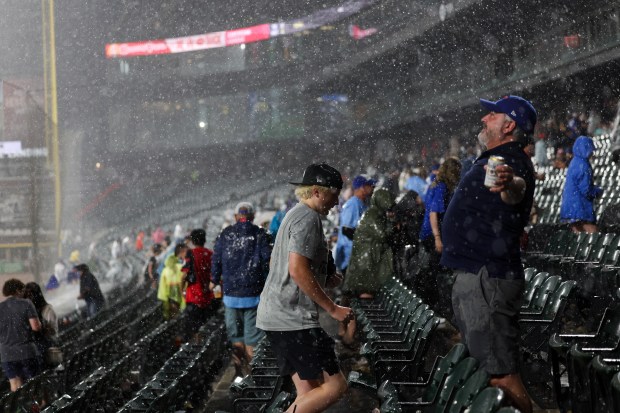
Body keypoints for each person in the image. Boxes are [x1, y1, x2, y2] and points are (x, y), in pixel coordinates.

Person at [441, 95, 537, 413]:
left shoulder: (510, 161)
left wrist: (510, 184)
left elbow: (515, 189)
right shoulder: (494, 158)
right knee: (490, 373)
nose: (484, 119)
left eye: (492, 115)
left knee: (501, 377)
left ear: (509, 125)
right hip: (481, 275)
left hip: (488, 277)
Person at [257, 163, 352, 413]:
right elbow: (297, 270)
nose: (337, 200)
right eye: (334, 193)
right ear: (318, 192)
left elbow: (290, 265)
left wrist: (323, 277)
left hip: (276, 316)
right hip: (291, 320)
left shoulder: (295, 214)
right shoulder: (308, 218)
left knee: (309, 392)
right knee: (336, 386)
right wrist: (332, 308)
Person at [211, 201, 272, 377]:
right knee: (252, 339)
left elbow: (216, 260)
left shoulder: (226, 234)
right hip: (253, 295)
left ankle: (238, 375)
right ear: (252, 217)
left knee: (236, 338)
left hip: (231, 295)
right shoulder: (259, 234)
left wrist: (214, 279)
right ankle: (252, 377)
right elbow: (267, 259)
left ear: (236, 217)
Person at [417, 157, 461, 310]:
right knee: (436, 273)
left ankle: (434, 306)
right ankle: (436, 307)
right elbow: (433, 213)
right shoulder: (442, 187)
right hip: (432, 234)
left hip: (428, 233)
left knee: (434, 272)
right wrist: (437, 238)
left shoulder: (435, 184)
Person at [0, 279, 42, 391]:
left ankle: (21, 406)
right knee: (35, 383)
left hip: (7, 354)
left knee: (15, 385)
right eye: (22, 290)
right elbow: (35, 327)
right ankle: (39, 406)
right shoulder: (26, 303)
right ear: (18, 290)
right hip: (26, 351)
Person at [559, 135, 603, 233]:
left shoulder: (574, 162)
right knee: (593, 232)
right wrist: (597, 191)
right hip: (579, 204)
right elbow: (585, 189)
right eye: (591, 149)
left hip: (570, 203)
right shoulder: (583, 165)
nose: (592, 152)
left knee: (578, 234)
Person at [334, 175, 376, 274]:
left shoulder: (363, 203)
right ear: (362, 187)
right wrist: (366, 240)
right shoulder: (353, 204)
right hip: (349, 259)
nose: (372, 187)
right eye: (370, 185)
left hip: (358, 258)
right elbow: (346, 230)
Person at [182, 228, 214, 341]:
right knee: (205, 326)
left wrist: (182, 290)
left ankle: (196, 342)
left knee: (193, 328)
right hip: (207, 296)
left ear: (192, 241)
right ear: (204, 240)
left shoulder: (190, 254)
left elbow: (184, 275)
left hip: (193, 296)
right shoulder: (210, 254)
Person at [23, 282, 58, 366]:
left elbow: (53, 331)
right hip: (37, 347)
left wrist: (40, 328)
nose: (28, 299)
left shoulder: (47, 310)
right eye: (26, 296)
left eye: (30, 295)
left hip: (48, 346)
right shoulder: (28, 311)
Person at [158, 244, 187, 320]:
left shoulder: (165, 270)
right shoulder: (181, 267)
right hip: (180, 295)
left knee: (171, 315)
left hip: (168, 296)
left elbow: (162, 287)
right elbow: (185, 283)